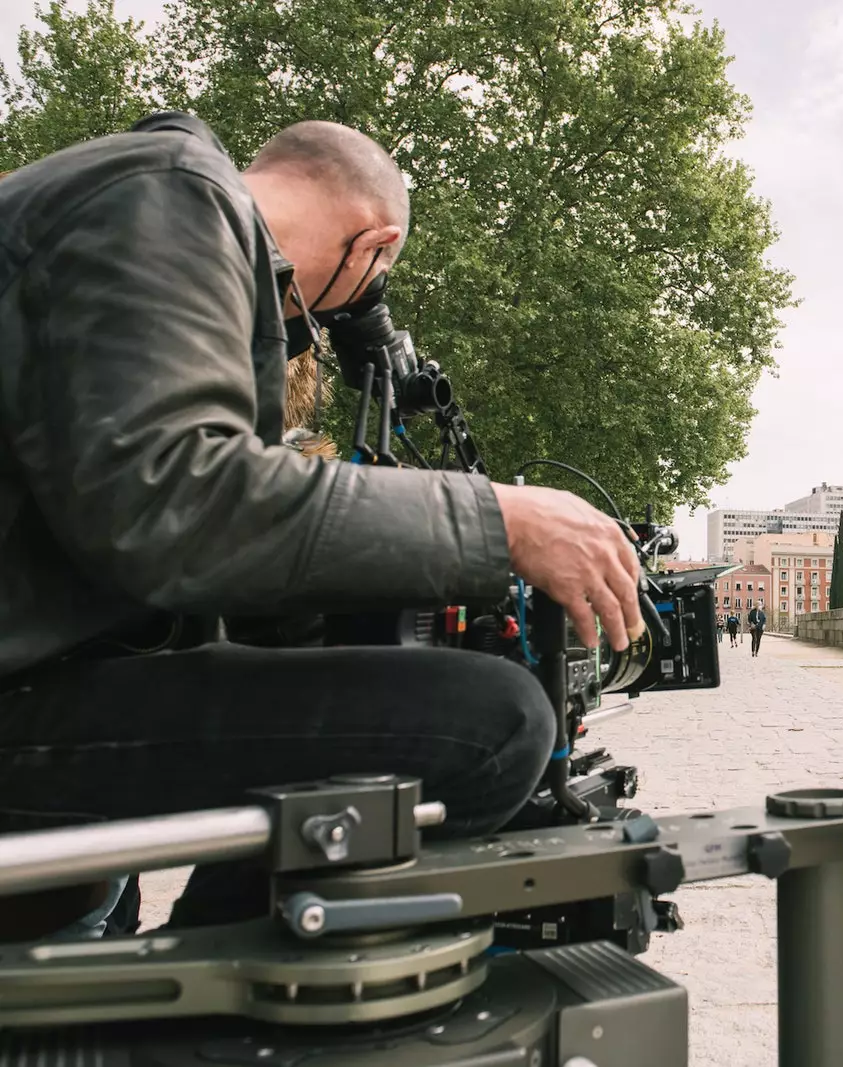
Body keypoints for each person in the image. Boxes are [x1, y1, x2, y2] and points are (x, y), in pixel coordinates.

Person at [0, 113, 645, 932]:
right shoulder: (170, 190)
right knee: (496, 723)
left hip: (41, 674)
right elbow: (182, 504)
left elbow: (137, 528)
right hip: (25, 695)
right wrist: (499, 519)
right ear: (374, 246)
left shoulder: (146, 201)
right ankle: (212, 1002)